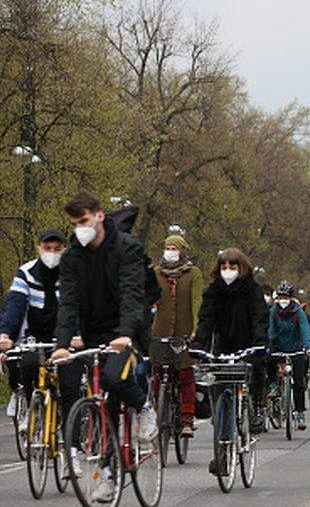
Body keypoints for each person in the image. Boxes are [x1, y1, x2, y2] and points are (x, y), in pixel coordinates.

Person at [50, 192, 157, 502]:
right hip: (94, 335)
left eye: (83, 221)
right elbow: (68, 303)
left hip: (126, 332)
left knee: (114, 378)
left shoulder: (127, 247)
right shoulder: (72, 258)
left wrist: (125, 333)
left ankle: (145, 407)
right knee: (100, 409)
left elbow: (132, 293)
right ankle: (107, 476)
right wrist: (61, 344)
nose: (79, 228)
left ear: (98, 216)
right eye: (74, 223)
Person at [0, 229, 84, 438]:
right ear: (39, 249)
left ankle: (71, 448)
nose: (52, 253)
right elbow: (15, 306)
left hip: (67, 340)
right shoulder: (26, 272)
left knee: (70, 386)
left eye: (57, 249)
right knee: (27, 365)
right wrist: (5, 334)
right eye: (47, 248)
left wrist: (80, 336)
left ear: (64, 250)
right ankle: (32, 408)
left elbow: (81, 309)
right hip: (36, 339)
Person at [192, 247, 269, 439]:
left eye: (232, 266)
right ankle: (222, 440)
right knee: (217, 383)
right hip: (223, 344)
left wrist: (259, 341)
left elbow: (259, 317)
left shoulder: (252, 290)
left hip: (249, 343)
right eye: (223, 266)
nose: (227, 270)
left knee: (257, 368)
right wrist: (199, 344)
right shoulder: (214, 291)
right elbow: (206, 319)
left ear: (241, 267)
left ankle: (257, 406)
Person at [150, 234, 203, 438]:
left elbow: (196, 301)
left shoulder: (193, 274)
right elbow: (149, 298)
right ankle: (157, 411)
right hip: (160, 330)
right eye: (168, 247)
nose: (170, 251)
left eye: (174, 248)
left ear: (182, 251)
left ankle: (187, 419)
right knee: (156, 372)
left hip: (184, 331)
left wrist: (195, 328)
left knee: (185, 375)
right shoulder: (156, 273)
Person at [267, 281, 310, 430]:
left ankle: (300, 413)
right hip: (278, 347)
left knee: (299, 383)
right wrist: (267, 343)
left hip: (296, 349)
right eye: (280, 297)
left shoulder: (298, 311)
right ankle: (273, 385)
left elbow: (305, 329)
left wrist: (309, 347)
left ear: (291, 298)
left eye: (285, 297)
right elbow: (270, 330)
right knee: (268, 359)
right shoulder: (274, 311)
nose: (283, 300)